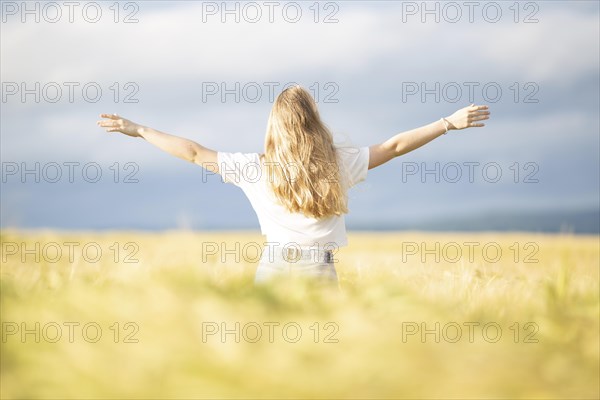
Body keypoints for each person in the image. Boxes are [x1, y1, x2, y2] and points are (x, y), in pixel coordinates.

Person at [97, 85, 490, 285]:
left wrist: (141, 130)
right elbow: (394, 145)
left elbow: (195, 153)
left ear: (274, 126)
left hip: (273, 266)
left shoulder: (254, 168)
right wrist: (446, 123)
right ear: (313, 121)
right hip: (320, 270)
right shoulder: (340, 162)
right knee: (320, 366)